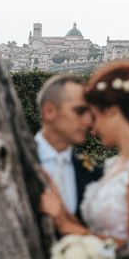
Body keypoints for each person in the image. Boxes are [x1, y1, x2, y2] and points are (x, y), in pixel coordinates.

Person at [40, 61, 129, 244]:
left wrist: (66, 225)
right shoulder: (114, 164)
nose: (91, 127)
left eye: (94, 116)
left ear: (112, 111)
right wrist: (63, 212)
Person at [35, 74, 103, 220]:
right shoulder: (14, 161)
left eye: (90, 113)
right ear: (49, 111)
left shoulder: (93, 173)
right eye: (80, 111)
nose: (88, 121)